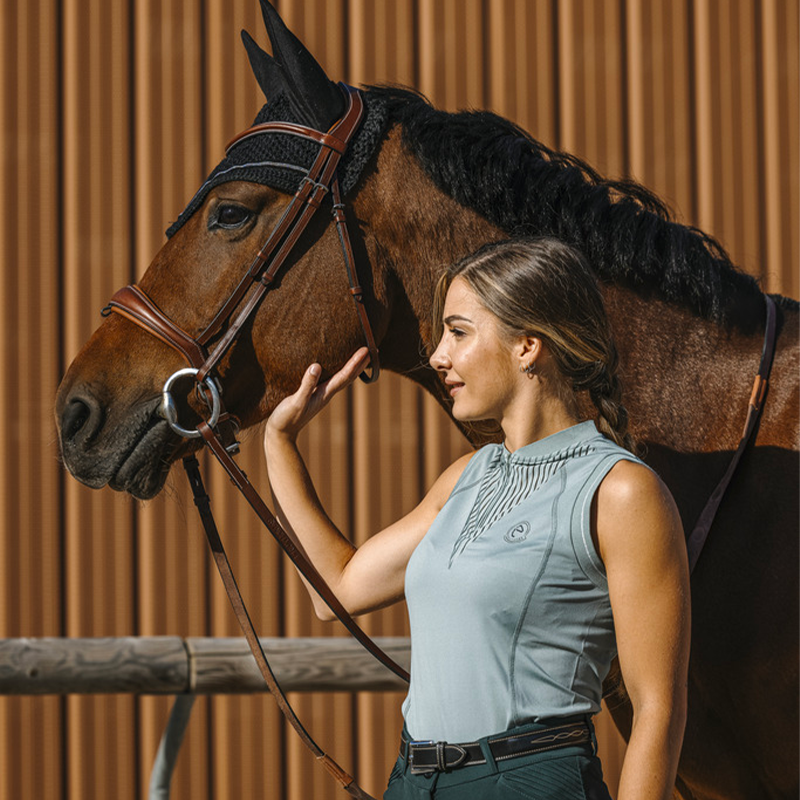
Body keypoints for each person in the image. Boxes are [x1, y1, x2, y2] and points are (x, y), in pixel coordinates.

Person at [263, 237, 690, 800]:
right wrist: (278, 442)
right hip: (413, 780)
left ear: (528, 346)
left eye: (459, 332)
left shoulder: (620, 491)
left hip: (527, 780)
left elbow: (657, 707)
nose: (438, 355)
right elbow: (335, 590)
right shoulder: (467, 475)